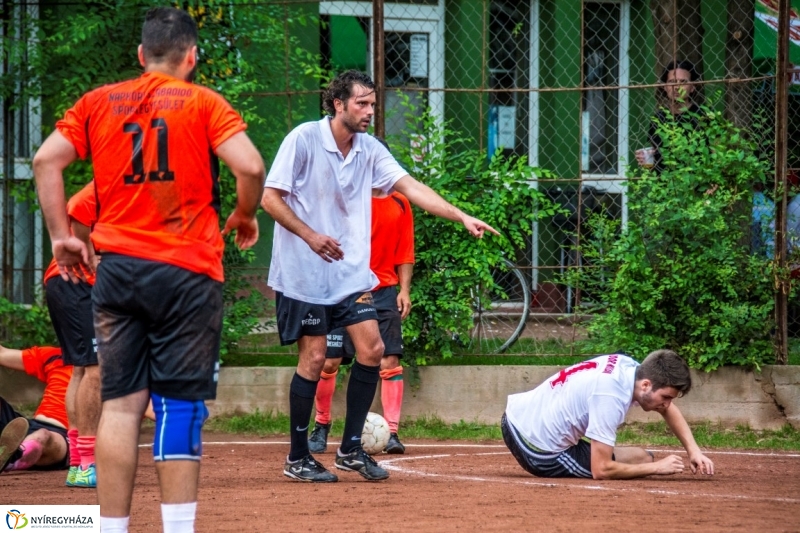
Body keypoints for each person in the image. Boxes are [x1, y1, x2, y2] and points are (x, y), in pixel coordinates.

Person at [33, 7, 264, 533]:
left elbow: (47, 160)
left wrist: (60, 238)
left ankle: (111, 527)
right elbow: (249, 166)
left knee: (120, 405)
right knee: (179, 406)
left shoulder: (97, 102)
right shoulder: (204, 102)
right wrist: (244, 213)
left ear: (141, 55)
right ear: (192, 57)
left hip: (117, 272)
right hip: (186, 271)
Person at [261, 69, 498, 483]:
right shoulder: (302, 139)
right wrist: (311, 236)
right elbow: (269, 197)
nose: (371, 111)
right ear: (338, 105)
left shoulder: (369, 149)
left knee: (371, 350)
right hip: (304, 273)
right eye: (362, 104)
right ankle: (298, 457)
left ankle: (351, 450)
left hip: (349, 276)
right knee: (315, 358)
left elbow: (411, 186)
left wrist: (460, 215)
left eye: (373, 104)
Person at [309, 164, 415, 455]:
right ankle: (321, 425)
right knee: (329, 362)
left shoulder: (400, 201)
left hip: (384, 290)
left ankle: (391, 432)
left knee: (389, 359)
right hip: (343, 289)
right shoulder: (344, 198)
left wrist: (404, 290)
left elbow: (405, 250)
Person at [502, 350, 715, 480]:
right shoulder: (610, 397)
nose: (667, 405)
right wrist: (657, 467)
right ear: (646, 385)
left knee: (642, 457)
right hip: (538, 450)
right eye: (666, 397)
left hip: (517, 417)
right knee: (642, 464)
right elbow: (601, 470)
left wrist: (693, 450)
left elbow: (667, 408)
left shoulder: (630, 368)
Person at [43, 181, 100, 488]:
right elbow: (79, 207)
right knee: (96, 368)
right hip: (73, 281)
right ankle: (87, 463)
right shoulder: (111, 182)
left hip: (70, 284)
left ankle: (79, 462)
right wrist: (91, 257)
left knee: (82, 368)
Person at [0, 344, 72, 473]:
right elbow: (2, 353)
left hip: (65, 435)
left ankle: (10, 461)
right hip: (26, 426)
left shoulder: (112, 364)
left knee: (42, 436)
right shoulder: (54, 356)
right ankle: (11, 453)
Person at [636, 60, 702, 174]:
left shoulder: (703, 115)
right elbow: (657, 159)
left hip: (698, 184)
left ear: (692, 87)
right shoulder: (658, 118)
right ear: (665, 87)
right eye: (672, 81)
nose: (676, 87)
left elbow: (717, 154)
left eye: (683, 82)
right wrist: (646, 160)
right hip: (667, 185)